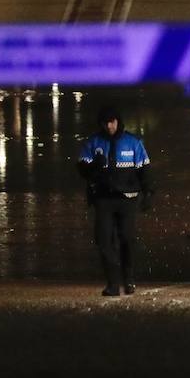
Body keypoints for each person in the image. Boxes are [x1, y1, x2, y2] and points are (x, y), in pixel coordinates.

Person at [77, 105, 153, 296]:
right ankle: (113, 283)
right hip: (103, 199)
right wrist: (94, 165)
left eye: (112, 122)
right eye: (106, 122)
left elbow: (145, 170)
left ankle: (128, 279)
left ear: (118, 122)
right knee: (104, 240)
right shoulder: (93, 143)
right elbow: (81, 169)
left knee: (126, 238)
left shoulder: (133, 143)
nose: (109, 126)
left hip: (127, 199)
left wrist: (149, 193)